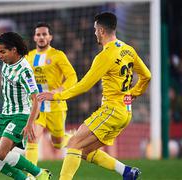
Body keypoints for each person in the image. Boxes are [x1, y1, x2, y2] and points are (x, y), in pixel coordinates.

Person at [37, 12, 151, 180]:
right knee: (83, 151)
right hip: (125, 112)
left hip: (111, 110)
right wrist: (133, 93)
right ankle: (127, 172)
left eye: (95, 30)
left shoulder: (105, 55)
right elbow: (147, 75)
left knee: (73, 143)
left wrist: (57, 96)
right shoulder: (128, 50)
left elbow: (85, 85)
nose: (95, 33)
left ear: (102, 31)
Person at [0, 23, 52, 180]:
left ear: (14, 50)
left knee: (1, 154)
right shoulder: (7, 58)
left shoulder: (25, 71)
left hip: (21, 115)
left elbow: (35, 99)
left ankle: (39, 174)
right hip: (6, 113)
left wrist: (30, 124)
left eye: (2, 52)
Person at [25, 22, 77, 169]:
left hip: (56, 106)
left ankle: (71, 138)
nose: (41, 37)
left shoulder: (58, 55)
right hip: (37, 106)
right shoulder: (29, 56)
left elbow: (72, 77)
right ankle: (31, 175)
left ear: (50, 37)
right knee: (32, 139)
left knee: (58, 143)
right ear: (34, 38)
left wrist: (57, 91)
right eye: (38, 34)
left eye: (44, 34)